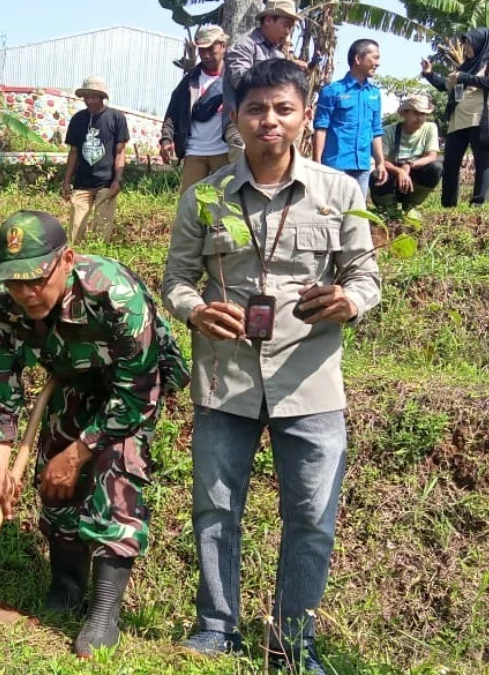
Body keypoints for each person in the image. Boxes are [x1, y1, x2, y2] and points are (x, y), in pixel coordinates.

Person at [162, 59, 381, 674]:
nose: (269, 121)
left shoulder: (340, 193)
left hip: (308, 380)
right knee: (214, 507)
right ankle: (215, 627)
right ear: (236, 118)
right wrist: (196, 310)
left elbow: (365, 276)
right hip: (224, 379)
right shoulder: (204, 197)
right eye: (256, 109)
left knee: (312, 517)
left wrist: (349, 300)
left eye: (283, 109)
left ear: (304, 115)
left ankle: (293, 640)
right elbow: (176, 278)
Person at [0, 211, 189, 657]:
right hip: (71, 377)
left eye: (37, 279)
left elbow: (138, 392)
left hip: (131, 385)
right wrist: (0, 458)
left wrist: (79, 453)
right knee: (53, 476)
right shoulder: (1, 296)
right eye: (15, 282)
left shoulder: (115, 294)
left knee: (117, 467)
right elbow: (0, 373)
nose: (27, 293)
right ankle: (66, 588)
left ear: (66, 260)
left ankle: (104, 613)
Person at [422, 28, 489, 208]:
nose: (466, 48)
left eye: (469, 44)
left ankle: (478, 201)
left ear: (479, 43)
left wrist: (465, 78)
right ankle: (448, 203)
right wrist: (429, 74)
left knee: (482, 159)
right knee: (450, 162)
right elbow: (446, 86)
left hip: (480, 117)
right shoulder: (465, 66)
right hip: (457, 119)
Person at [222, 0, 313, 164]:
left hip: (273, 127)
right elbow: (239, 81)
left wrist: (289, 71)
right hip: (244, 127)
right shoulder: (244, 47)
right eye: (285, 25)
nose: (287, 31)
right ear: (269, 19)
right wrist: (277, 71)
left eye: (291, 27)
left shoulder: (278, 55)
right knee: (243, 176)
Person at [161, 25, 231, 194]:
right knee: (188, 204)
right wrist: (166, 139)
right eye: (202, 50)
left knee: (226, 204)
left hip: (225, 152)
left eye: (210, 49)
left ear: (222, 46)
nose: (205, 55)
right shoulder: (190, 80)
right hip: (195, 152)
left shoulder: (235, 77)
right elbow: (172, 113)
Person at [314, 39, 388, 198]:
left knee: (357, 213)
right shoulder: (332, 91)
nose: (378, 63)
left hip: (362, 165)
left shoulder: (374, 93)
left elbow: (376, 131)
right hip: (335, 165)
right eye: (374, 58)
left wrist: (380, 162)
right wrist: (317, 163)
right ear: (358, 59)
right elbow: (321, 128)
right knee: (331, 210)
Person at [63, 76, 130, 244]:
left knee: (101, 230)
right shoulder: (78, 120)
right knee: (75, 230)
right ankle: (76, 261)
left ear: (102, 97)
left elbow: (120, 152)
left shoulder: (116, 118)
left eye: (93, 97)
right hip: (82, 184)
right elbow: (74, 152)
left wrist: (117, 179)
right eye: (86, 97)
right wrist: (66, 180)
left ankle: (99, 263)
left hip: (106, 183)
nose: (89, 101)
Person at [371, 93, 443, 209]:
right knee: (377, 173)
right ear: (405, 113)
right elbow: (381, 160)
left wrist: (409, 165)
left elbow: (432, 156)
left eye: (423, 114)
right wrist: (399, 172)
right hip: (392, 177)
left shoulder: (430, 128)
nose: (419, 118)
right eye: (415, 113)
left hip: (414, 177)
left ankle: (411, 204)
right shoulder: (388, 131)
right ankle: (388, 207)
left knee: (436, 168)